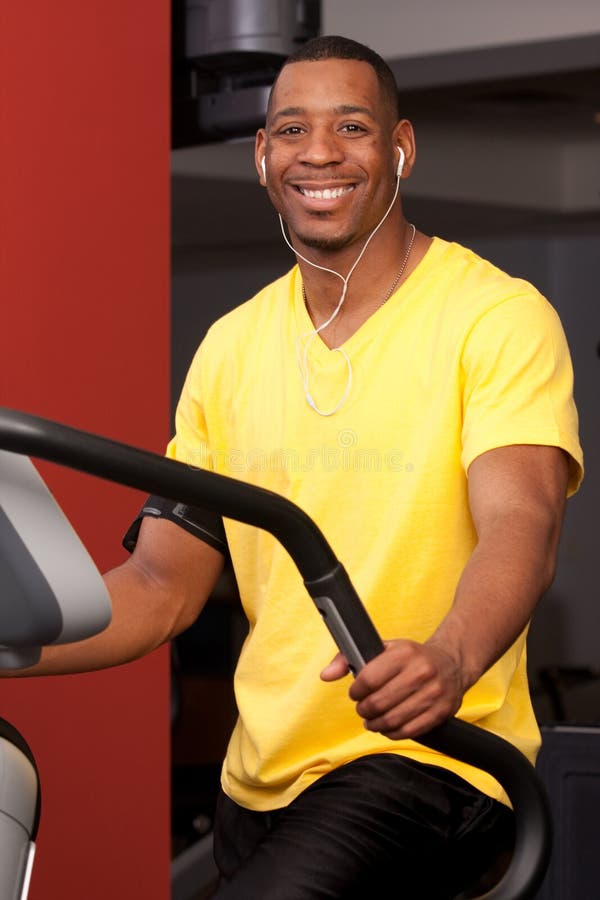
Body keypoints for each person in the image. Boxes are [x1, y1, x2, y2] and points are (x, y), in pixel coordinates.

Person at [6, 35, 583, 899]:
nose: (318, 151)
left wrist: (451, 658)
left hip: (424, 763)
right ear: (262, 156)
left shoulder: (495, 318)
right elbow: (161, 587)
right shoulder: (231, 349)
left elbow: (521, 523)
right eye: (291, 129)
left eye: (350, 126)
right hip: (259, 782)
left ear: (400, 148)